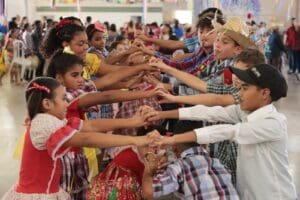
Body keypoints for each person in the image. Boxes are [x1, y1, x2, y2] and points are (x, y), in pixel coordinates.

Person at [149, 64, 297, 199]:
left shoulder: (274, 123)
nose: (239, 93)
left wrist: (172, 139)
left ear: (264, 94)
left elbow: (229, 131)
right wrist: (162, 114)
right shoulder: (245, 112)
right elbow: (210, 112)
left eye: (245, 88)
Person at [1, 77, 156, 199]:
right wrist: (136, 140)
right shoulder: (43, 124)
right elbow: (86, 139)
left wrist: (132, 122)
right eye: (63, 99)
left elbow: (91, 126)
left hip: (46, 191)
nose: (67, 104)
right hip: (38, 195)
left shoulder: (53, 120)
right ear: (47, 103)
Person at [142, 133, 239, 199]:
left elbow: (148, 192)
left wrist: (149, 167)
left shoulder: (179, 167)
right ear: (204, 144)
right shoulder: (219, 164)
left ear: (175, 148)